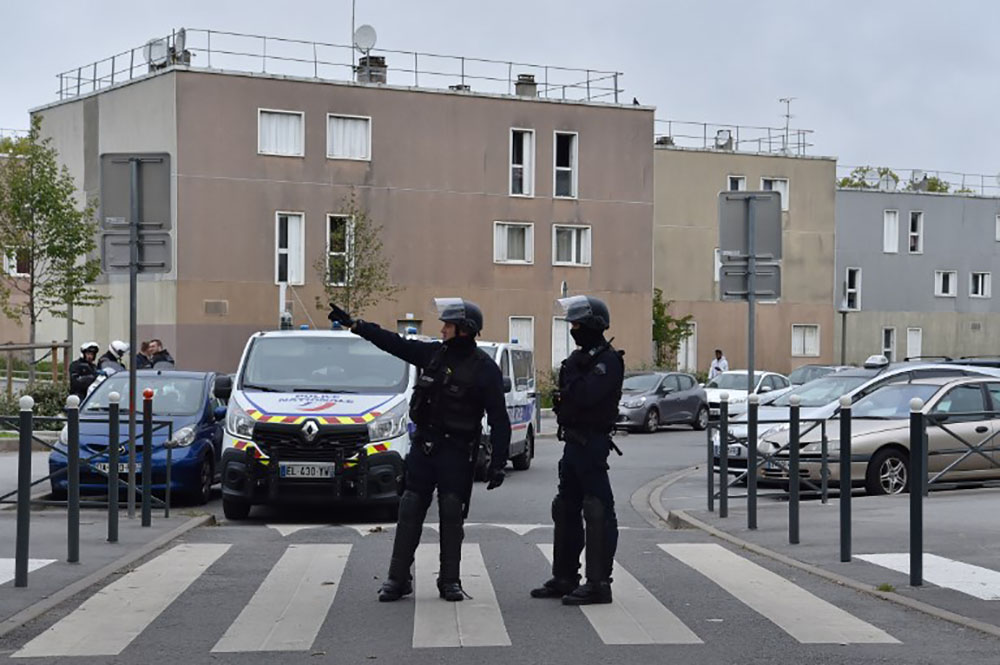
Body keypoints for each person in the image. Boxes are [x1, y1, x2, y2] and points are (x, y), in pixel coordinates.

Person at [328, 298, 510, 603]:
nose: (442, 330)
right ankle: (398, 579)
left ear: (464, 330)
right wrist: (357, 326)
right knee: (410, 508)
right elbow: (394, 343)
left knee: (451, 513)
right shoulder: (433, 355)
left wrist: (499, 462)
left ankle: (449, 580)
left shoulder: (485, 369)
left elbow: (499, 418)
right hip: (425, 446)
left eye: (448, 325)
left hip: (457, 450)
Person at [531, 295, 624, 606]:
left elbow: (584, 396)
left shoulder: (608, 360)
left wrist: (571, 382)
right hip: (572, 443)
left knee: (597, 510)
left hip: (593, 443)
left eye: (578, 323)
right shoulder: (579, 360)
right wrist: (571, 381)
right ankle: (564, 576)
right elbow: (565, 397)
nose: (573, 328)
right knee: (565, 509)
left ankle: (599, 583)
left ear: (593, 325)